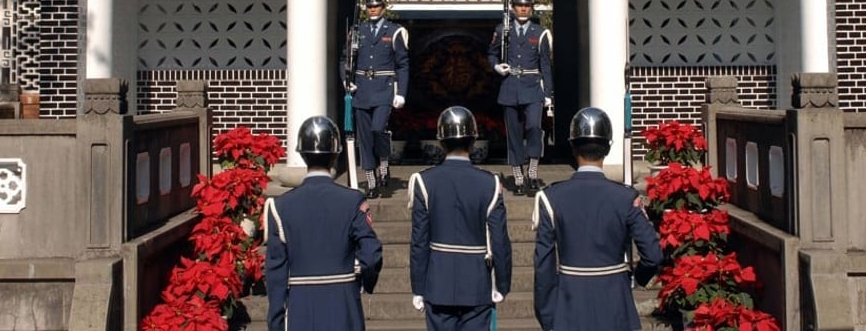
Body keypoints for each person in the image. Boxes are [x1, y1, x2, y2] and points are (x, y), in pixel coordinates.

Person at [532, 107, 663, 331]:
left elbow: (543, 266)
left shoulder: (551, 197)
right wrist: (635, 279)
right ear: (607, 148)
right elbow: (653, 255)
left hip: (569, 306)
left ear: (573, 147)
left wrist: (548, 314)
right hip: (616, 303)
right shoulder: (625, 196)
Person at [263, 115, 383, 331]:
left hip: (300, 307)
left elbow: (276, 275)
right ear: (336, 154)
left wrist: (276, 323)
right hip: (343, 303)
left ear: (301, 154)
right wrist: (364, 281)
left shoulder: (279, 206)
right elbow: (371, 254)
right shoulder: (353, 200)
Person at [408, 106, 513, 331]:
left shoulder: (424, 181)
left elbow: (419, 242)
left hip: (438, 284)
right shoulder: (490, 183)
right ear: (473, 141)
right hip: (476, 284)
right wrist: (502, 284)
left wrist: (418, 286)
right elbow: (500, 241)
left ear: (441, 142)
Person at [341, 0, 409, 198]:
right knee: (364, 136)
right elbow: (345, 60)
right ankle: (371, 178)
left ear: (383, 6)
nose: (373, 9)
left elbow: (403, 64)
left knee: (378, 128)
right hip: (361, 88)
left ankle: (384, 161)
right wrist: (346, 80)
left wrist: (401, 93)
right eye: (370, 5)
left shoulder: (394, 31)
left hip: (383, 88)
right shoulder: (356, 31)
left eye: (377, 5)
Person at [487, 0, 553, 195]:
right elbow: (492, 54)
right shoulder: (502, 30)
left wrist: (549, 95)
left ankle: (532, 171)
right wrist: (497, 66)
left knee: (534, 127)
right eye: (519, 5)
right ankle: (517, 175)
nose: (523, 9)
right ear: (513, 7)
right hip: (510, 86)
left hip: (533, 86)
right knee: (513, 134)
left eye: (527, 6)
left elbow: (545, 65)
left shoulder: (540, 33)